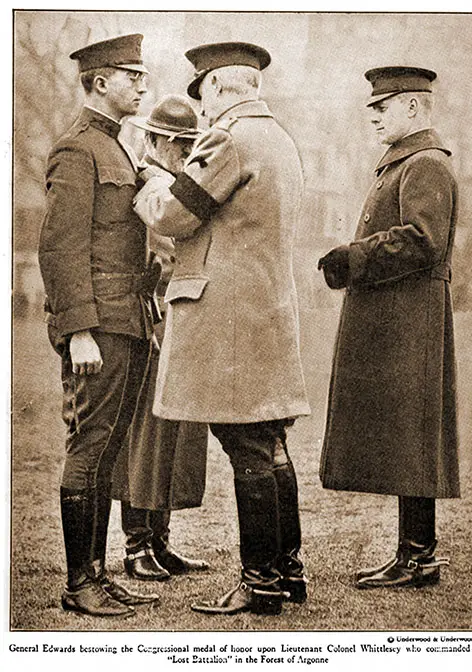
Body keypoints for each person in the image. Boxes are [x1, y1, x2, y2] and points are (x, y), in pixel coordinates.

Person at [133, 42, 311, 615]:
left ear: (213, 87)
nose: (201, 110)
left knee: (248, 448)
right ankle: (286, 571)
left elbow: (173, 215)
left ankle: (259, 581)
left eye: (200, 94)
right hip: (265, 312)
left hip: (229, 319)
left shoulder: (228, 138)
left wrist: (153, 178)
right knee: (268, 442)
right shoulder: (280, 138)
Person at [317, 66, 460, 589]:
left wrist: (352, 259)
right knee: (407, 433)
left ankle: (419, 556)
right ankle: (414, 554)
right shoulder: (408, 162)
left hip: (410, 318)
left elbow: (424, 241)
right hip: (398, 316)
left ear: (415, 107)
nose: (373, 113)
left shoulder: (425, 164)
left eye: (385, 104)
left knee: (413, 433)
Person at [38, 34, 159, 617]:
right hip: (99, 328)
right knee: (89, 447)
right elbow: (60, 249)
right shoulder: (77, 150)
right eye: (132, 75)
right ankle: (77, 583)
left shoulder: (119, 149)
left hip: (127, 321)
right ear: (100, 80)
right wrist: (78, 329)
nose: (142, 84)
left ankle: (97, 574)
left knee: (108, 452)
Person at [111, 95, 210, 581]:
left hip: (179, 317)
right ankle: (136, 545)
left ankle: (161, 541)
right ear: (153, 140)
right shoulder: (145, 183)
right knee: (146, 433)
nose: (182, 152)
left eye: (188, 143)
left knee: (173, 431)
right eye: (174, 143)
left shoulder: (175, 184)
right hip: (152, 316)